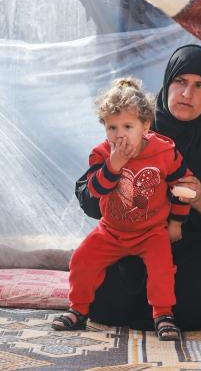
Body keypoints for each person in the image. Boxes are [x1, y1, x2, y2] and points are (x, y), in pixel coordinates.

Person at [76, 44, 201, 332]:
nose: (187, 94)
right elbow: (88, 199)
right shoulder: (137, 123)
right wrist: (115, 172)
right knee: (103, 301)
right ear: (167, 81)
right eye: (180, 81)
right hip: (137, 239)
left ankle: (163, 309)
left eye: (199, 85)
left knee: (194, 309)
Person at [53, 77, 193, 340]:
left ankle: (163, 314)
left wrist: (176, 223)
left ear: (145, 126)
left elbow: (181, 188)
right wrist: (114, 165)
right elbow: (94, 190)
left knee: (162, 267)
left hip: (151, 230)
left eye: (128, 126)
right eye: (112, 127)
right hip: (111, 230)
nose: (119, 134)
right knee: (81, 260)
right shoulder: (101, 154)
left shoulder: (165, 152)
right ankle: (78, 309)